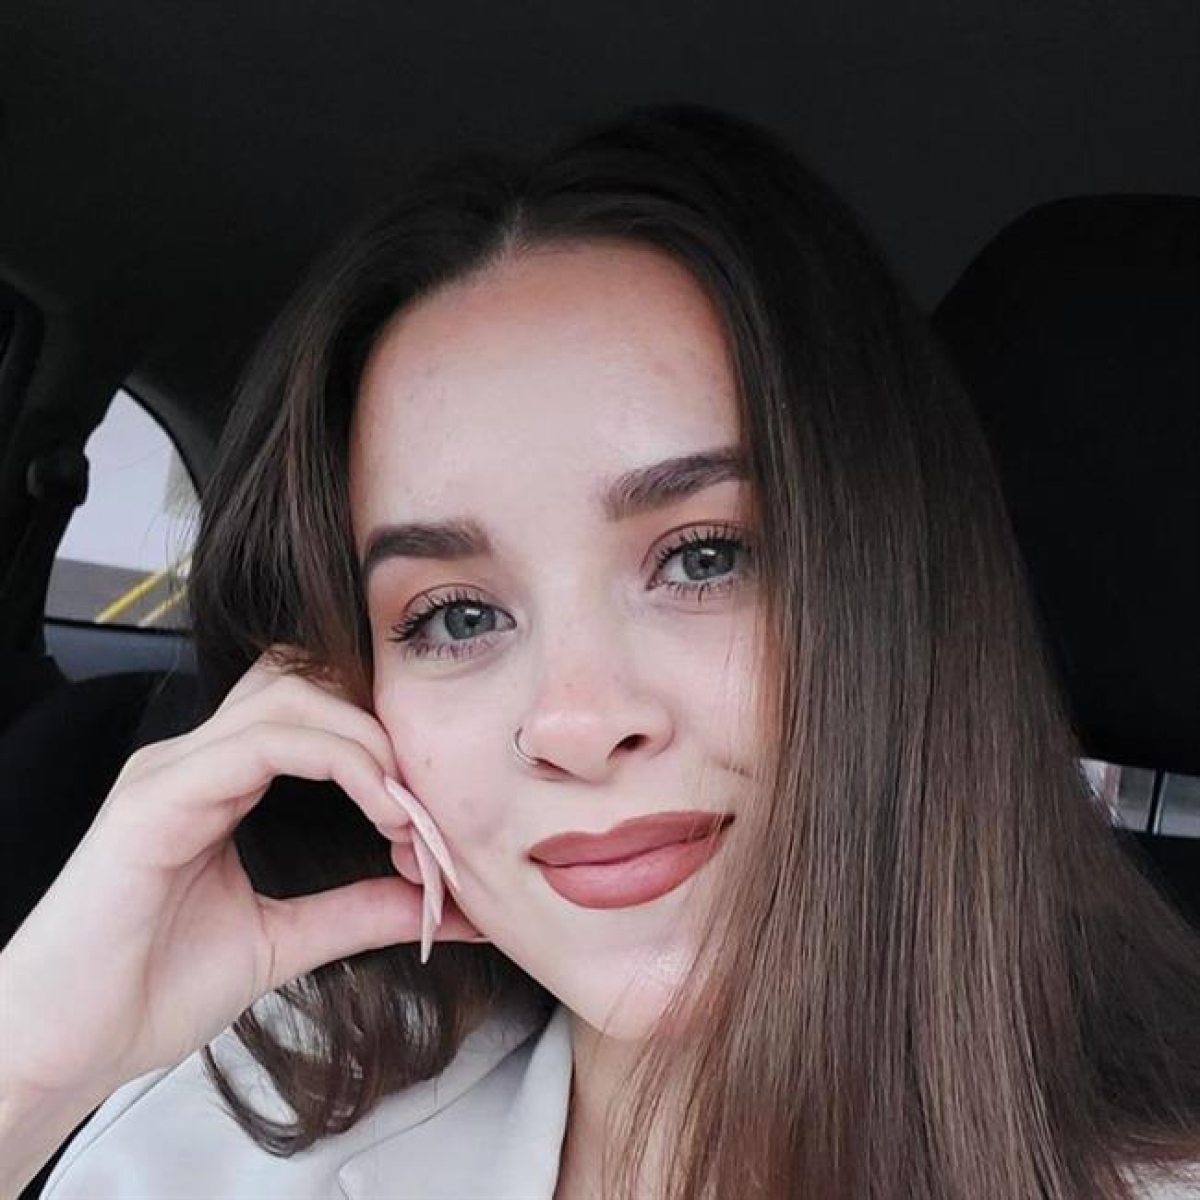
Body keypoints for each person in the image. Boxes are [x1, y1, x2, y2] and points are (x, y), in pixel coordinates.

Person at [2, 101, 1200, 1200]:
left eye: (704, 556)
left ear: (906, 593)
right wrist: (35, 1061)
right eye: (456, 617)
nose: (576, 724)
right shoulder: (256, 1123)